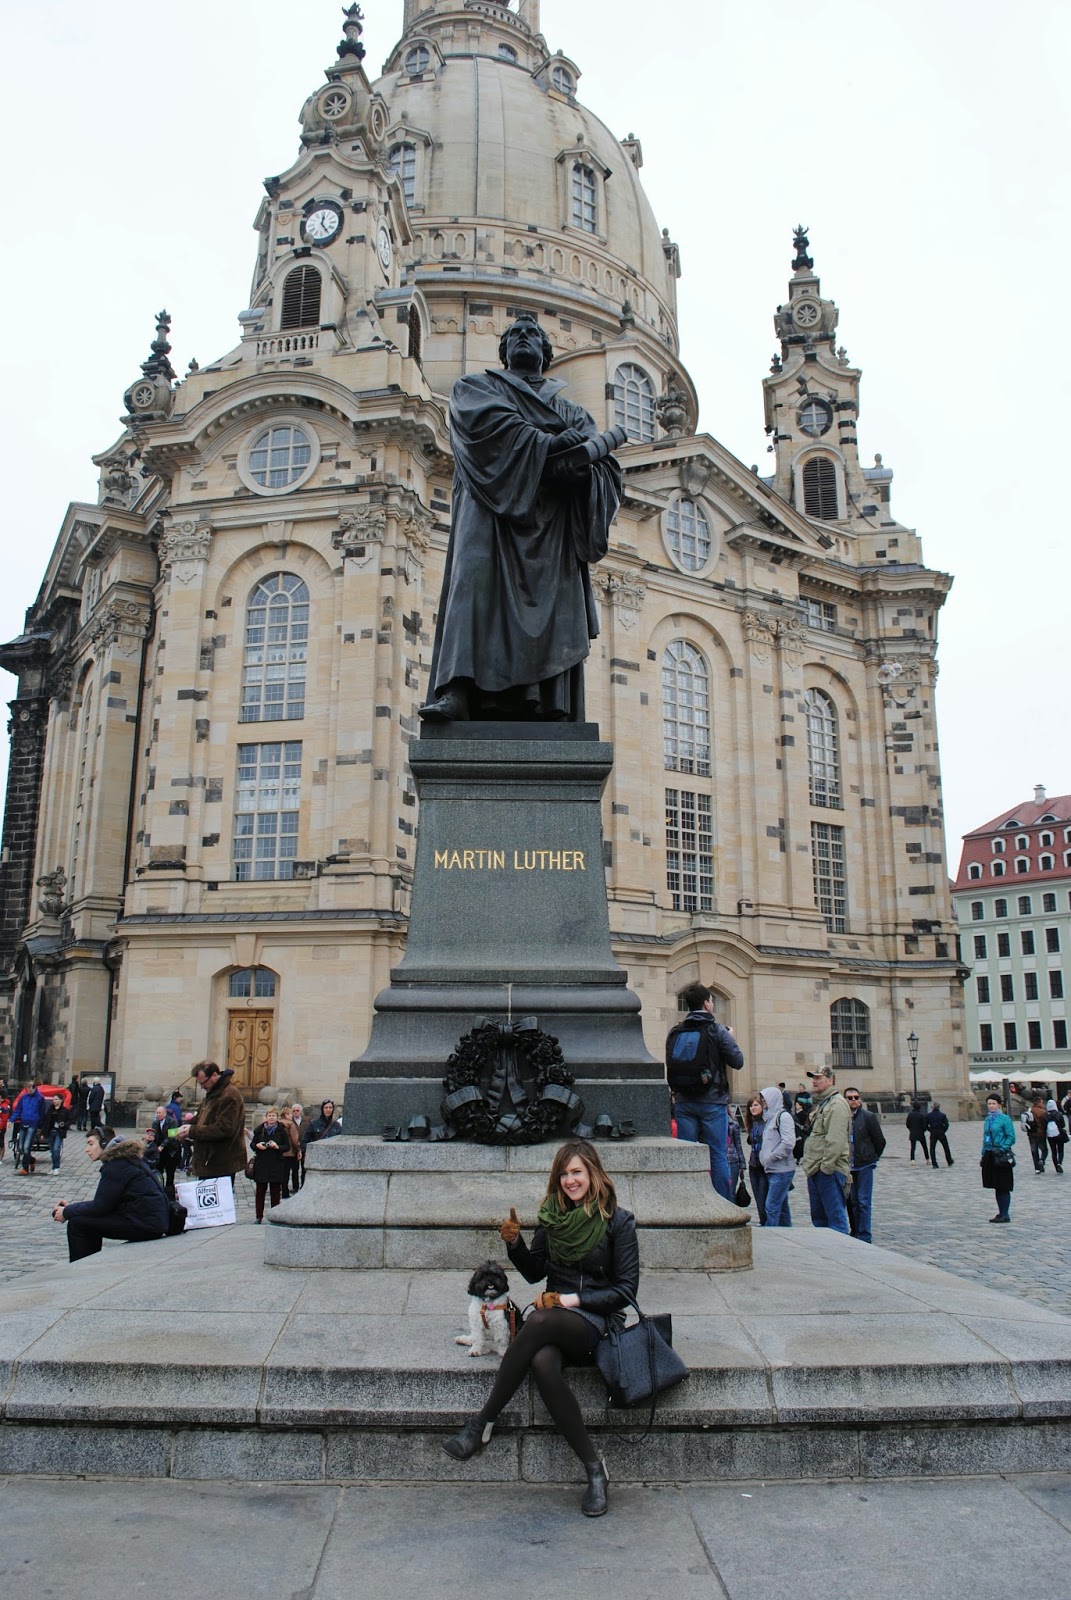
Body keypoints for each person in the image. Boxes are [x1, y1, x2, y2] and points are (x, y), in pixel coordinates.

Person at [420, 315, 622, 724]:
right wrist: (550, 444)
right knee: (472, 582)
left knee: (553, 603)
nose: (524, 338)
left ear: (546, 352)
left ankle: (549, 703)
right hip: (487, 509)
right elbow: (486, 429)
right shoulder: (475, 387)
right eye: (515, 334)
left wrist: (581, 470)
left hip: (551, 526)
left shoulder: (572, 410)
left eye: (532, 334)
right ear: (505, 350)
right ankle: (458, 691)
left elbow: (603, 469)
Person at [442, 1139, 638, 1518]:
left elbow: (625, 1291)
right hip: (553, 1321)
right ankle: (595, 1469)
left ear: (593, 1173)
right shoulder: (553, 1218)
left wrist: (569, 1300)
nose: (570, 1180)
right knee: (543, 1363)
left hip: (597, 1320)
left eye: (577, 1172)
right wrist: (514, 1243)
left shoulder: (619, 1222)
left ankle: (482, 1423)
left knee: (541, 1318)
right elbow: (535, 1272)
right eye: (563, 1174)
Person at [665, 983, 744, 1200]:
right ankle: (722, 1203)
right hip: (712, 1101)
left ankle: (687, 1200)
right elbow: (738, 1061)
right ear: (707, 1004)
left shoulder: (675, 1031)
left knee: (686, 1153)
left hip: (683, 1100)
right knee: (717, 1154)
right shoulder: (717, 1030)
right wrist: (731, 1037)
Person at [52, 1126, 170, 1262]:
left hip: (146, 1224)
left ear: (104, 1144)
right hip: (149, 1219)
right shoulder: (124, 1160)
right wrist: (71, 1209)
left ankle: (81, 1269)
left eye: (91, 1144)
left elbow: (100, 1207)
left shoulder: (116, 1165)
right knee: (85, 1219)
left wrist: (67, 1212)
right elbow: (105, 1202)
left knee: (77, 1224)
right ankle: (89, 1264)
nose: (86, 1149)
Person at [174, 1060, 247, 1183]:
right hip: (209, 1162)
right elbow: (200, 1117)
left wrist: (192, 1131)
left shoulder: (229, 1095)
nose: (202, 1087)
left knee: (218, 1196)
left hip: (221, 1163)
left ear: (214, 1075)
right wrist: (185, 1128)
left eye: (203, 1083)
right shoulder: (213, 1092)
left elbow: (224, 1128)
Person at [800, 1067, 851, 1234]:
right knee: (820, 1220)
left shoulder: (837, 1104)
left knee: (835, 1220)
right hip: (817, 1168)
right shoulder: (825, 1102)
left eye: (818, 1078)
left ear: (830, 1080)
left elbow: (835, 1140)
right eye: (813, 1078)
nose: (814, 1081)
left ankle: (841, 1248)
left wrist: (825, 1168)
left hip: (829, 1170)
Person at [844, 1087, 886, 1244]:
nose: (854, 1100)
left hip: (864, 1166)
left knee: (863, 1201)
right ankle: (856, 1231)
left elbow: (880, 1140)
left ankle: (865, 1234)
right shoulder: (843, 1117)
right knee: (853, 1201)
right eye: (850, 1098)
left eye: (856, 1097)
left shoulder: (868, 1117)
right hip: (849, 1166)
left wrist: (872, 1157)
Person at [758, 1085, 796, 1227]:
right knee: (782, 1208)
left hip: (781, 1170)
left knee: (771, 1206)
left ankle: (772, 1232)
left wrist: (771, 1157)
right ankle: (786, 1231)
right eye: (762, 1098)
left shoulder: (783, 1116)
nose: (763, 1101)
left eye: (765, 1098)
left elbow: (788, 1143)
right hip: (772, 1169)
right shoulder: (770, 1117)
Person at [981, 1093, 1016, 1222]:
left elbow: (1011, 1137)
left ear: (999, 1105)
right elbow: (985, 1138)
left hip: (1001, 1155)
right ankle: (1001, 1212)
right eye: (989, 1104)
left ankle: (1005, 1214)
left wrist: (1001, 1149)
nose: (991, 1106)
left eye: (993, 1104)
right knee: (996, 1185)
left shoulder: (1004, 1119)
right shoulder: (987, 1120)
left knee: (1003, 1185)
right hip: (990, 1154)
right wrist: (983, 1153)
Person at [250, 1105, 288, 1222]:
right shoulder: (259, 1130)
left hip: (276, 1164)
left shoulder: (281, 1131)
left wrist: (277, 1147)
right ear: (266, 1117)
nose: (271, 1118)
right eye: (269, 1115)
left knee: (275, 1191)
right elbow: (252, 1144)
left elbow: (287, 1146)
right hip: (262, 1164)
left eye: (273, 1115)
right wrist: (257, 1145)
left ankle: (274, 1215)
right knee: (260, 1192)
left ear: (277, 1117)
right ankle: (259, 1216)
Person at [11, 1080, 49, 1174]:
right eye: (27, 1088)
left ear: (34, 1088)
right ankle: (31, 1160)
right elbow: (18, 1110)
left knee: (26, 1146)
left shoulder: (40, 1098)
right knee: (20, 1148)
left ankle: (25, 1168)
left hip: (33, 1124)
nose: (28, 1090)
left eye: (30, 1088)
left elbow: (42, 1113)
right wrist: (11, 1120)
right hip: (23, 1123)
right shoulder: (24, 1097)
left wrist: (40, 1125)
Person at [744, 1094, 768, 1225]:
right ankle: (762, 1221)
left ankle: (766, 1222)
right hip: (753, 1165)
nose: (753, 1108)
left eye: (756, 1105)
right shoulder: (752, 1123)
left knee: (764, 1197)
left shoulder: (766, 1123)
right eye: (751, 1106)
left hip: (763, 1165)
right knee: (758, 1198)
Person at [45, 1092, 72, 1174]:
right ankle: (53, 1167)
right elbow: (46, 1121)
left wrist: (64, 1125)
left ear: (61, 1100)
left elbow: (70, 1120)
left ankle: (57, 1167)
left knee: (56, 1149)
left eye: (56, 1099)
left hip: (59, 1132)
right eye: (53, 1099)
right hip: (51, 1131)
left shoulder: (65, 1110)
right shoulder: (50, 1109)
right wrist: (43, 1132)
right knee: (52, 1151)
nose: (54, 1101)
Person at [278, 1104, 302, 1196]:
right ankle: (291, 1189)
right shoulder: (291, 1124)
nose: (292, 1115)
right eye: (291, 1113)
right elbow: (294, 1139)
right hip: (290, 1152)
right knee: (292, 1171)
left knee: (283, 1172)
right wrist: (298, 1150)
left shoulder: (277, 1123)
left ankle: (283, 1190)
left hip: (279, 1151)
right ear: (286, 1114)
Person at [1023, 1097, 1049, 1174]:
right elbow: (1045, 1123)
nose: (1043, 1104)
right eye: (1041, 1102)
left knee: (1034, 1151)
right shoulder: (1043, 1112)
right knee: (1044, 1150)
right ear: (1038, 1103)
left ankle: (1037, 1168)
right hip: (1040, 1134)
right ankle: (1042, 1160)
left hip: (1031, 1134)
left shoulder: (1029, 1111)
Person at [926, 1102, 954, 1168]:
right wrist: (943, 1131)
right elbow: (946, 1125)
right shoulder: (942, 1115)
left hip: (933, 1132)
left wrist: (930, 1130)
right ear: (939, 1107)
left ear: (933, 1107)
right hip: (941, 1132)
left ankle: (934, 1163)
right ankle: (949, 1161)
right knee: (946, 1147)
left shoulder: (929, 1115)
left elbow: (925, 1125)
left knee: (932, 1148)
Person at [726, 1110, 746, 1203]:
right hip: (717, 1160)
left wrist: (742, 1164)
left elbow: (738, 1144)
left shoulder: (733, 1124)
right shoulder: (711, 1122)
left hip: (732, 1160)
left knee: (731, 1192)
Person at [1045, 1099, 1067, 1173]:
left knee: (1053, 1151)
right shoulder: (1059, 1114)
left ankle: (1056, 1166)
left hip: (1050, 1135)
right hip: (1059, 1134)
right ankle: (1059, 1163)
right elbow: (1063, 1125)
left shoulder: (1046, 1115)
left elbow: (1044, 1125)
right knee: (1060, 1150)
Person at [0, 1087, 10, 1162]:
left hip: (1, 1127)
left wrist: (0, 1128)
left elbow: (4, 1119)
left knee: (1, 1143)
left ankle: (0, 1159)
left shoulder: (4, 1106)